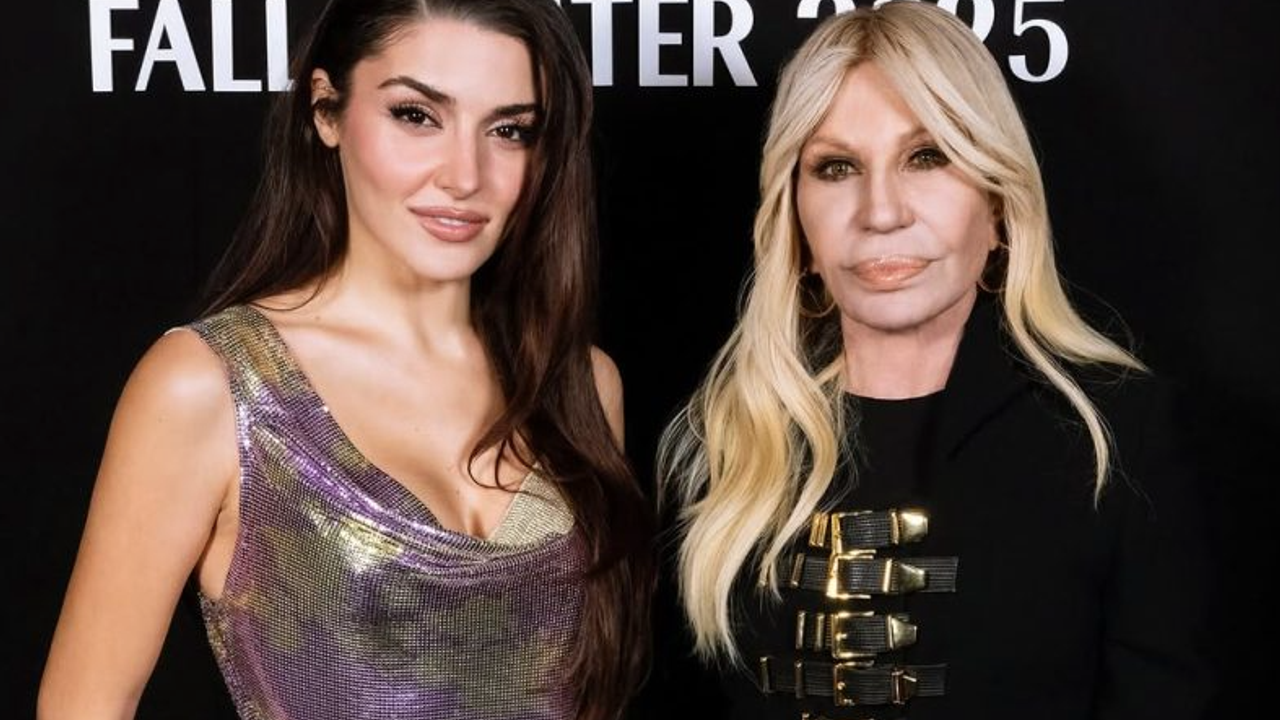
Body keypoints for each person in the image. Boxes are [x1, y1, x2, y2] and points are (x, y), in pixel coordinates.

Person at [38, 1, 651, 719]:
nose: (465, 175)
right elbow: (84, 705)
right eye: (417, 116)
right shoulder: (212, 386)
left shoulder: (581, 384)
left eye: (508, 130)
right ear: (326, 111)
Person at [656, 2, 1212, 718]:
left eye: (927, 157)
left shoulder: (1120, 436)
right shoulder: (717, 441)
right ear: (795, 218)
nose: (881, 212)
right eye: (836, 167)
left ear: (999, 204)